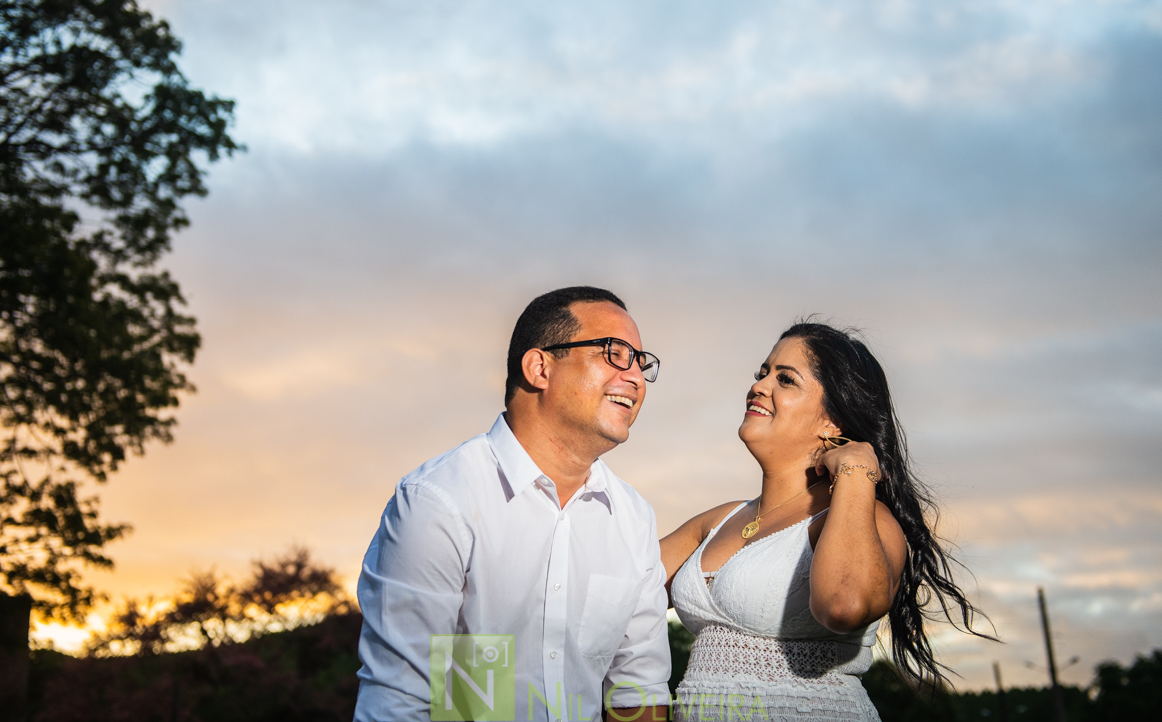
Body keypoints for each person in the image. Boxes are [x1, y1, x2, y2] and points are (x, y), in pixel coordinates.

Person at [354, 287, 671, 722]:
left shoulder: (634, 518)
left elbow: (638, 689)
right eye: (615, 353)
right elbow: (399, 700)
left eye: (641, 362)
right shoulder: (440, 501)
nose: (635, 377)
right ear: (539, 367)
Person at [660, 321, 991, 722]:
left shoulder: (865, 518)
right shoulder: (718, 519)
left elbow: (845, 605)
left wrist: (854, 472)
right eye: (762, 373)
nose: (760, 386)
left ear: (833, 422)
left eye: (785, 379)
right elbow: (617, 591)